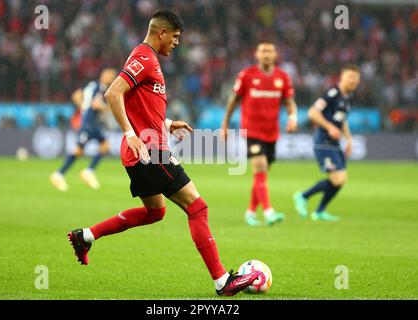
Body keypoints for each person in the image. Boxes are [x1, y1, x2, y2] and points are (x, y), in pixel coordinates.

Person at [67, 10, 262, 296]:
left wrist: (167, 123)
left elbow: (140, 104)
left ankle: (86, 236)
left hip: (144, 150)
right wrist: (131, 134)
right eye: (175, 37)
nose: (177, 43)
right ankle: (222, 281)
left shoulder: (149, 60)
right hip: (149, 151)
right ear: (162, 33)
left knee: (155, 212)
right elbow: (112, 94)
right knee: (198, 207)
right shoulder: (144, 56)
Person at [221, 42, 298, 227]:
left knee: (261, 175)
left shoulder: (283, 77)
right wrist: (225, 123)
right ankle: (269, 211)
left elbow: (289, 102)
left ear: (275, 54)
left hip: (272, 132)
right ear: (257, 54)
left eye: (270, 51)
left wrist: (293, 117)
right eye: (263, 51)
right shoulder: (247, 75)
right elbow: (234, 100)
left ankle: (250, 212)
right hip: (252, 130)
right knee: (261, 167)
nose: (266, 54)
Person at [293, 65, 361, 221]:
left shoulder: (348, 97)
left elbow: (341, 120)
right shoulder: (332, 93)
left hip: (335, 143)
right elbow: (312, 113)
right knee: (338, 178)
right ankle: (303, 196)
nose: (353, 81)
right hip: (323, 142)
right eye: (350, 77)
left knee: (341, 179)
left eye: (356, 78)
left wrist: (349, 139)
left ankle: (319, 211)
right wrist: (329, 127)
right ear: (342, 77)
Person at [50, 68, 117, 191]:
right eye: (111, 76)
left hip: (90, 123)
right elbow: (95, 104)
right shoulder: (99, 87)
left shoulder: (93, 85)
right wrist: (107, 108)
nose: (112, 78)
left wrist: (83, 107)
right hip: (89, 123)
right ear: (104, 76)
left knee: (104, 146)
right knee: (79, 150)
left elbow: (76, 95)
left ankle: (85, 171)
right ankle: (61, 174)